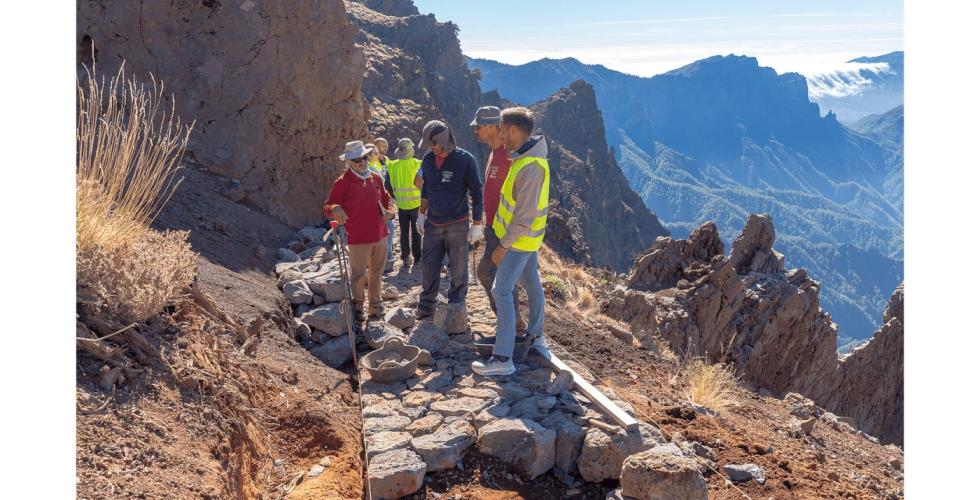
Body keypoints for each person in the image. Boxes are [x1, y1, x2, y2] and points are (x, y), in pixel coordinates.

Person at [472, 107, 549, 377]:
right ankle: (537, 336)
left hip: (518, 242)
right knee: (531, 284)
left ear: (513, 131)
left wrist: (503, 246)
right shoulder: (525, 160)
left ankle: (503, 358)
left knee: (501, 290)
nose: (501, 135)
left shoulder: (530, 167)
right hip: (526, 241)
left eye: (503, 130)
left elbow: (525, 214)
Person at [414, 120, 485, 320]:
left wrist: (477, 224)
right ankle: (427, 304)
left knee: (459, 268)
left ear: (443, 140)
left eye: (433, 144)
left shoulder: (465, 160)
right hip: (433, 224)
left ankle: (456, 306)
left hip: (457, 223)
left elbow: (477, 192)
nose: (431, 149)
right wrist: (421, 214)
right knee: (428, 267)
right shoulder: (428, 160)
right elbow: (426, 188)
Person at [323, 140, 395, 323]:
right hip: (358, 238)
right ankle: (358, 307)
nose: (362, 162)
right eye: (356, 160)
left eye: (363, 157)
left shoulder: (375, 177)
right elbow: (328, 205)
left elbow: (387, 199)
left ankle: (375, 307)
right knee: (358, 274)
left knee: (377, 273)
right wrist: (336, 208)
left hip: (381, 234)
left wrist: (391, 212)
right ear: (348, 162)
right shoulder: (343, 182)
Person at [471, 106, 528, 332]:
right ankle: (512, 322)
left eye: (479, 126)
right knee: (496, 275)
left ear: (495, 127)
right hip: (493, 227)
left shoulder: (508, 155)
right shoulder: (494, 154)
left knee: (490, 273)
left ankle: (511, 324)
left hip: (504, 230)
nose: (475, 130)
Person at [387, 138, 423, 268]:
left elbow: (388, 186)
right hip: (416, 205)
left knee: (403, 233)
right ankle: (418, 257)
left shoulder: (392, 165)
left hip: (401, 205)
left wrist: (395, 198)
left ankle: (406, 257)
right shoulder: (418, 164)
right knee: (416, 232)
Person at [368, 142, 396, 273]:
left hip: (383, 203)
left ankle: (386, 257)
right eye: (375, 153)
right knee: (387, 229)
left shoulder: (378, 165)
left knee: (388, 229)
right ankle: (384, 259)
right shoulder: (368, 169)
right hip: (376, 205)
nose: (378, 154)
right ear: (368, 155)